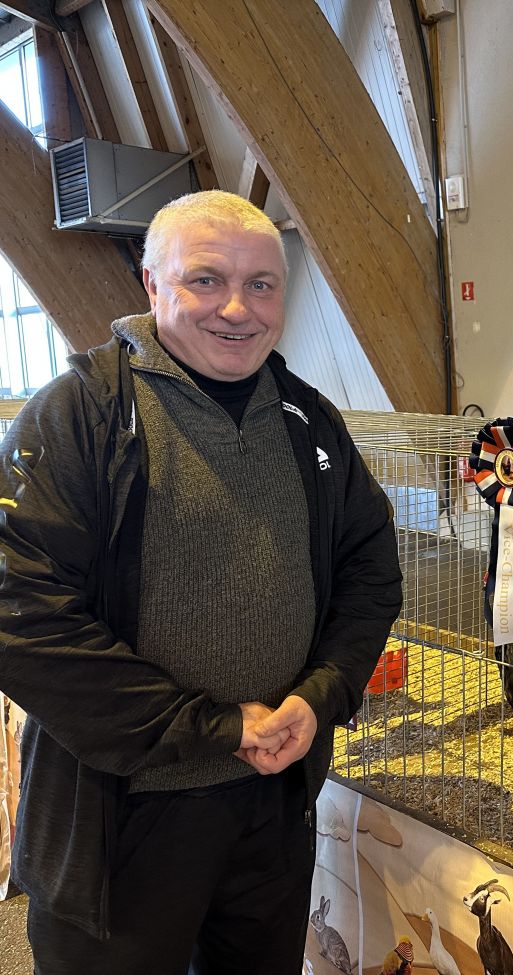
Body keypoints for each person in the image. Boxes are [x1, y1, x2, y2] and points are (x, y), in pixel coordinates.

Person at [0, 190, 403, 973]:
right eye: (206, 279)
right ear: (152, 284)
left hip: (273, 804)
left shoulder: (308, 420)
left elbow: (370, 568)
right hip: (120, 813)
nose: (237, 308)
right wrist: (209, 727)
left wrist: (322, 693)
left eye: (262, 284)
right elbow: (21, 615)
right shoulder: (81, 417)